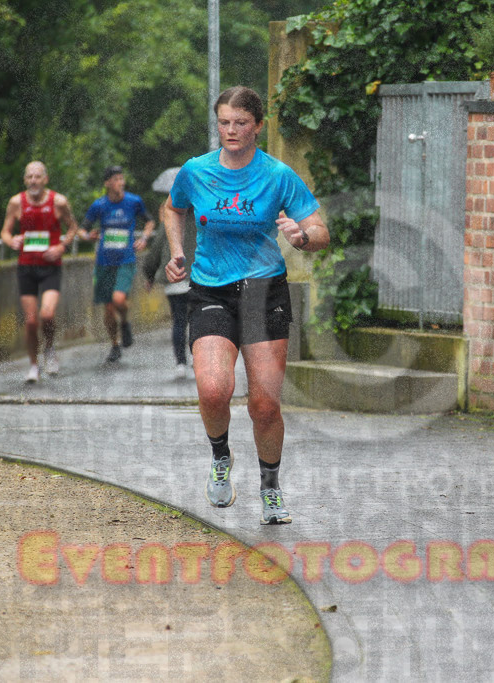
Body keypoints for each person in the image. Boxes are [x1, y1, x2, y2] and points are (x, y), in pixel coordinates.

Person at [163, 86, 329, 525]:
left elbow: (319, 231)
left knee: (265, 406)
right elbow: (172, 208)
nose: (231, 130)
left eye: (240, 123)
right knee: (214, 388)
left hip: (263, 293)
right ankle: (221, 457)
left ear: (257, 126)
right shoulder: (195, 171)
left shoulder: (277, 175)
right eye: (223, 122)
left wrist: (301, 237)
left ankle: (270, 487)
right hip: (211, 290)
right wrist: (177, 251)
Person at [0, 161, 81, 383]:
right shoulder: (16, 202)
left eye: (37, 177)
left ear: (45, 179)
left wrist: (62, 247)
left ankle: (50, 348)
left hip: (50, 267)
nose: (33, 181)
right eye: (29, 177)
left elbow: (73, 227)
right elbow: (5, 232)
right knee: (31, 320)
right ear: (25, 180)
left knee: (47, 314)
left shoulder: (59, 202)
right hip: (26, 266)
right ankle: (34, 365)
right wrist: (12, 240)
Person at [80, 165, 155, 363]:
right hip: (104, 262)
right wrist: (89, 236)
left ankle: (125, 322)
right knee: (108, 309)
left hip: (126, 260)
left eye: (121, 179)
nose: (119, 183)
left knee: (119, 300)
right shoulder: (99, 205)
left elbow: (149, 221)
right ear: (107, 184)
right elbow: (83, 230)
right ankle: (114, 344)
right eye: (115, 180)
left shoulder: (133, 201)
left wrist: (145, 238)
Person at [141, 187, 196, 379]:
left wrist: (149, 276)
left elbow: (154, 254)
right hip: (199, 279)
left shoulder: (169, 223)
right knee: (198, 320)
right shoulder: (203, 220)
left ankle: (181, 363)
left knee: (179, 321)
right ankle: (198, 358)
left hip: (175, 279)